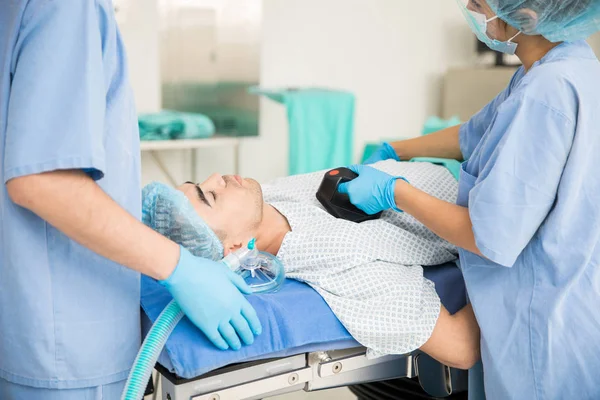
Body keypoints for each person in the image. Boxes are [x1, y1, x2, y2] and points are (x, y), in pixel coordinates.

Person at [340, 1, 600, 399]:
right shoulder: (569, 65)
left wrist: (394, 192)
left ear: (527, 15)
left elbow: (486, 235)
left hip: (541, 328)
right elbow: (475, 132)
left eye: (479, 4)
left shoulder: (545, 92)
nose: (469, 10)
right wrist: (397, 149)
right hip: (576, 302)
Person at [0, 1, 260, 398]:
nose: (218, 177)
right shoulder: (71, 9)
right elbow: (43, 181)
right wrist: (180, 268)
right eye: (204, 193)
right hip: (66, 349)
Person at [147, 159, 481, 370]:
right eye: (211, 195)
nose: (216, 176)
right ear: (234, 247)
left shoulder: (268, 198)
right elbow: (460, 347)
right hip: (486, 208)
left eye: (200, 183)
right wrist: (514, 261)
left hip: (465, 160)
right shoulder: (337, 259)